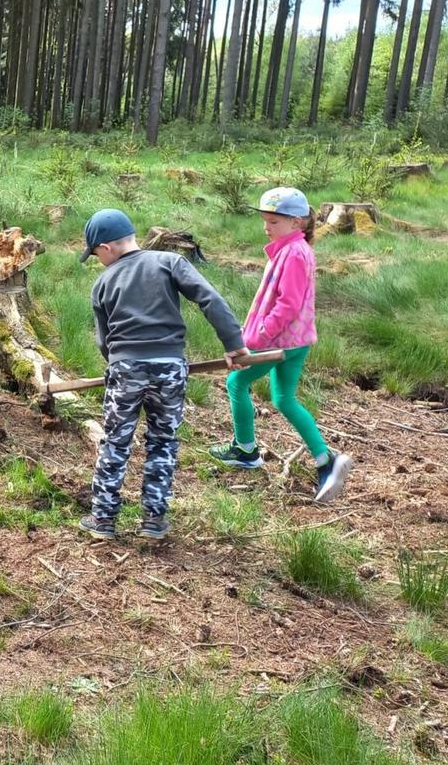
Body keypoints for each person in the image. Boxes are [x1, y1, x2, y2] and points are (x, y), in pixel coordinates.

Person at [78, 209, 249, 542]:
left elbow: (103, 340)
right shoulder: (169, 262)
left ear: (107, 247)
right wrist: (233, 342)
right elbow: (208, 298)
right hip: (170, 367)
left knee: (115, 441)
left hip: (125, 368)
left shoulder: (103, 282)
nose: (97, 260)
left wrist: (115, 366)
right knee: (163, 441)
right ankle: (154, 520)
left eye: (95, 253)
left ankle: (103, 520)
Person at [209, 187, 354, 504]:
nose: (266, 227)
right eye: (265, 220)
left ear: (297, 222)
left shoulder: (294, 254)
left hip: (279, 341)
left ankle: (245, 450)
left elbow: (287, 306)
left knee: (236, 382)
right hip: (296, 341)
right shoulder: (292, 249)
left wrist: (255, 339)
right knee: (284, 398)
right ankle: (325, 460)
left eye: (273, 221)